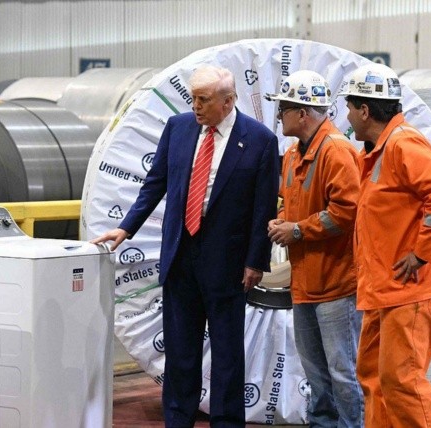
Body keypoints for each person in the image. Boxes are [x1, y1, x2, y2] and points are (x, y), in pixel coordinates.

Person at [91, 65, 279, 427]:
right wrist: (126, 228)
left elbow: (263, 207)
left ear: (228, 102)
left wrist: (256, 261)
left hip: (228, 264)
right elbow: (155, 183)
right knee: (180, 351)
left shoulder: (259, 140)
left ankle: (226, 422)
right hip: (180, 256)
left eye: (203, 99)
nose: (196, 106)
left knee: (227, 354)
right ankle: (178, 419)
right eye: (193, 98)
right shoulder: (178, 128)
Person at [340, 63, 431, 427]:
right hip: (385, 288)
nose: (346, 116)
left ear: (364, 110)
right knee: (374, 377)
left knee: (403, 381)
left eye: (349, 107)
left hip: (410, 288)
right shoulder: (380, 150)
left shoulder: (402, 144)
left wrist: (423, 253)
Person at [265, 70, 364, 427]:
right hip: (306, 283)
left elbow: (346, 213)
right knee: (316, 373)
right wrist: (281, 220)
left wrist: (296, 230)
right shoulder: (294, 153)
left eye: (283, 109)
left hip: (337, 284)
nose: (279, 115)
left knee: (343, 372)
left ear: (303, 113)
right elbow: (288, 200)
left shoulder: (336, 151)